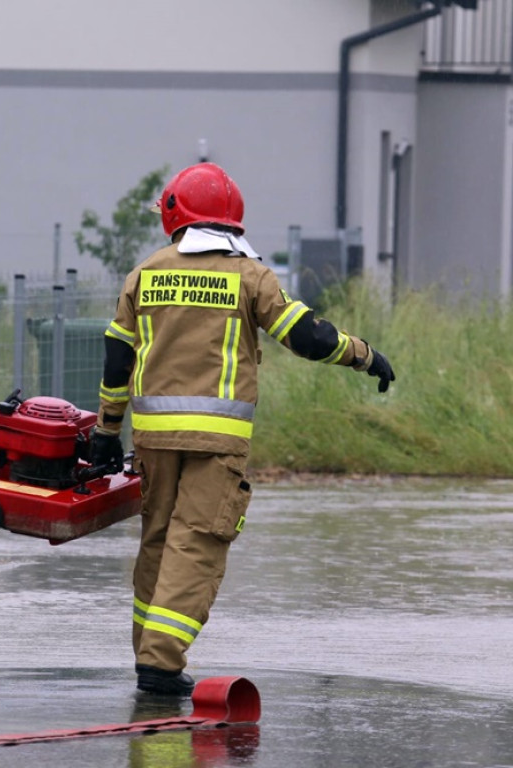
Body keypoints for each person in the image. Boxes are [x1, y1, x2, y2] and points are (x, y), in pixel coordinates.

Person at [90, 162, 395, 697]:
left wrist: (105, 430)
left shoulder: (145, 273)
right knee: (198, 544)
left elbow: (118, 360)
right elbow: (306, 336)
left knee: (158, 543)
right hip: (217, 442)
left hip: (153, 440)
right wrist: (364, 356)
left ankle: (147, 651)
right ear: (233, 222)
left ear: (175, 216)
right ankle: (160, 664)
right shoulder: (249, 276)